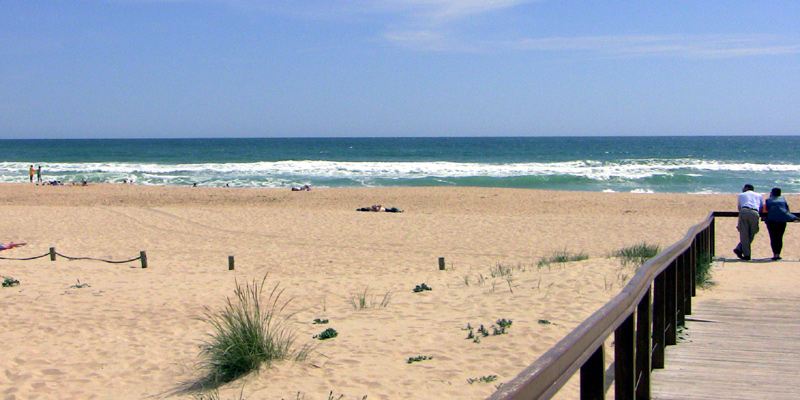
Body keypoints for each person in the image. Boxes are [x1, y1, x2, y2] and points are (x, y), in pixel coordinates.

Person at [764, 187, 797, 261]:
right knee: (779, 238)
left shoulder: (768, 200)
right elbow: (787, 211)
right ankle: (778, 254)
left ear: (772, 193)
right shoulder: (783, 200)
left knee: (773, 237)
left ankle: (774, 254)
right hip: (782, 222)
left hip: (771, 222)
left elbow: (765, 212)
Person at [733, 184, 763, 261]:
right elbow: (761, 207)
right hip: (755, 212)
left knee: (744, 234)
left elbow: (739, 207)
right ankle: (745, 253)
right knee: (752, 233)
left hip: (744, 211)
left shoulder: (741, 195)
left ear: (746, 188)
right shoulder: (759, 195)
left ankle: (742, 250)